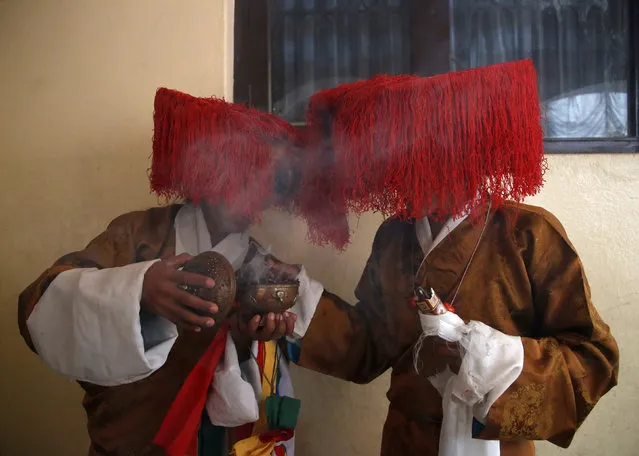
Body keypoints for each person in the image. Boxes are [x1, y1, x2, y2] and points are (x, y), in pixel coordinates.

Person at [256, 60, 619, 456]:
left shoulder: (527, 235)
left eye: (417, 158)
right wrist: (298, 294)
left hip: (494, 446)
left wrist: (489, 358)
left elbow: (592, 360)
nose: (399, 173)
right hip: (404, 441)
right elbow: (369, 345)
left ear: (461, 157)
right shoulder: (395, 235)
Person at [17, 88, 326, 456]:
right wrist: (139, 291)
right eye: (243, 179)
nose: (254, 198)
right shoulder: (138, 235)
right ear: (208, 174)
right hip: (136, 439)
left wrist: (246, 342)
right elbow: (38, 309)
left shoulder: (260, 264)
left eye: (266, 184)